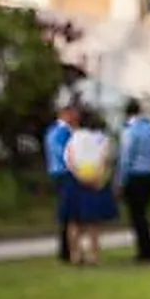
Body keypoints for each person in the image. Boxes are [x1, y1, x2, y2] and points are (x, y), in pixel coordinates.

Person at [65, 110, 120, 266]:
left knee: (74, 221)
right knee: (93, 222)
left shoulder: (73, 138)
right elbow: (106, 159)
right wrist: (99, 178)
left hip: (76, 179)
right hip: (95, 178)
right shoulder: (103, 139)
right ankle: (93, 255)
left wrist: (79, 175)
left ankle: (75, 254)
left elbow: (69, 159)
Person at [117, 100, 150, 263]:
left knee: (137, 215)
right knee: (144, 212)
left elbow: (126, 157)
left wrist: (120, 180)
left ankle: (144, 251)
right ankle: (148, 247)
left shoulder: (129, 130)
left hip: (135, 174)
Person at [45, 103, 80, 264]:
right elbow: (66, 153)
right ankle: (68, 250)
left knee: (67, 212)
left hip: (57, 172)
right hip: (65, 173)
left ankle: (67, 249)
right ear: (66, 114)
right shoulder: (63, 132)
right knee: (69, 213)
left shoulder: (51, 131)